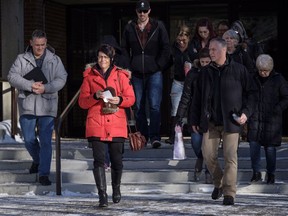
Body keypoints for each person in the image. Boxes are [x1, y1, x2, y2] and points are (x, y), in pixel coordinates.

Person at [191, 38, 256, 205]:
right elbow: (197, 97)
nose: (210, 52)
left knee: (230, 157)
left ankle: (229, 193)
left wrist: (246, 114)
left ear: (224, 50)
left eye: (213, 49)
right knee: (208, 155)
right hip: (210, 121)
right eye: (209, 49)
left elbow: (252, 94)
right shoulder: (205, 73)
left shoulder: (239, 70)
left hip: (232, 122)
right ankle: (219, 181)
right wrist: (194, 119)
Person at [7, 29, 67, 186]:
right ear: (31, 43)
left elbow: (62, 78)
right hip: (27, 104)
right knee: (28, 139)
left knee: (46, 141)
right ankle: (38, 160)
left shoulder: (55, 60)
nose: (40, 48)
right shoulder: (22, 59)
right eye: (37, 45)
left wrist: (46, 88)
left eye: (43, 45)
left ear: (46, 43)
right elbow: (12, 76)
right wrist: (29, 85)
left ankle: (44, 174)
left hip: (47, 105)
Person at [78, 44, 135, 207]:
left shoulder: (121, 75)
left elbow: (131, 98)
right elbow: (82, 102)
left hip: (116, 121)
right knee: (99, 160)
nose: (102, 60)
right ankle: (102, 195)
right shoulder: (89, 76)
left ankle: (116, 187)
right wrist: (95, 96)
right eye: (100, 57)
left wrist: (120, 100)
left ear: (111, 59)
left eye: (105, 57)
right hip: (96, 121)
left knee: (117, 160)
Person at [121, 0, 171, 149]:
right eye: (139, 11)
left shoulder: (158, 26)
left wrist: (159, 65)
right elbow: (124, 49)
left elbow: (166, 47)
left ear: (149, 11)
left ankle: (155, 137)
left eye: (144, 11)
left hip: (154, 72)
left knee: (155, 105)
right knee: (138, 106)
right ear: (136, 11)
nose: (142, 14)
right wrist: (128, 67)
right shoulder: (130, 27)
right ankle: (143, 136)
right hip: (135, 73)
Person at [247, 54, 288, 184]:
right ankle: (256, 173)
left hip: (272, 120)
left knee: (270, 149)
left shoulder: (279, 79)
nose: (263, 73)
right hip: (256, 118)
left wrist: (278, 109)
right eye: (261, 71)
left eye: (266, 71)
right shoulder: (253, 78)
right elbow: (247, 95)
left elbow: (286, 97)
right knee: (254, 147)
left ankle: (271, 173)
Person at [176, 48, 212, 183]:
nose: (205, 64)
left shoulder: (214, 73)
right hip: (195, 114)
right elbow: (186, 96)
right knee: (196, 143)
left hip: (210, 115)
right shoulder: (193, 74)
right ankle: (201, 158)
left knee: (209, 146)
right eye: (203, 62)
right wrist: (179, 115)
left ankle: (208, 171)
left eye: (207, 61)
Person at [165, 24, 193, 145]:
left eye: (184, 40)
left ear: (189, 38)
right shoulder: (173, 49)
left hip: (192, 82)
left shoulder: (192, 48)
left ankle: (194, 132)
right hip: (178, 81)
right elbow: (167, 62)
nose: (181, 42)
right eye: (179, 40)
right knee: (176, 109)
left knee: (193, 107)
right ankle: (174, 135)